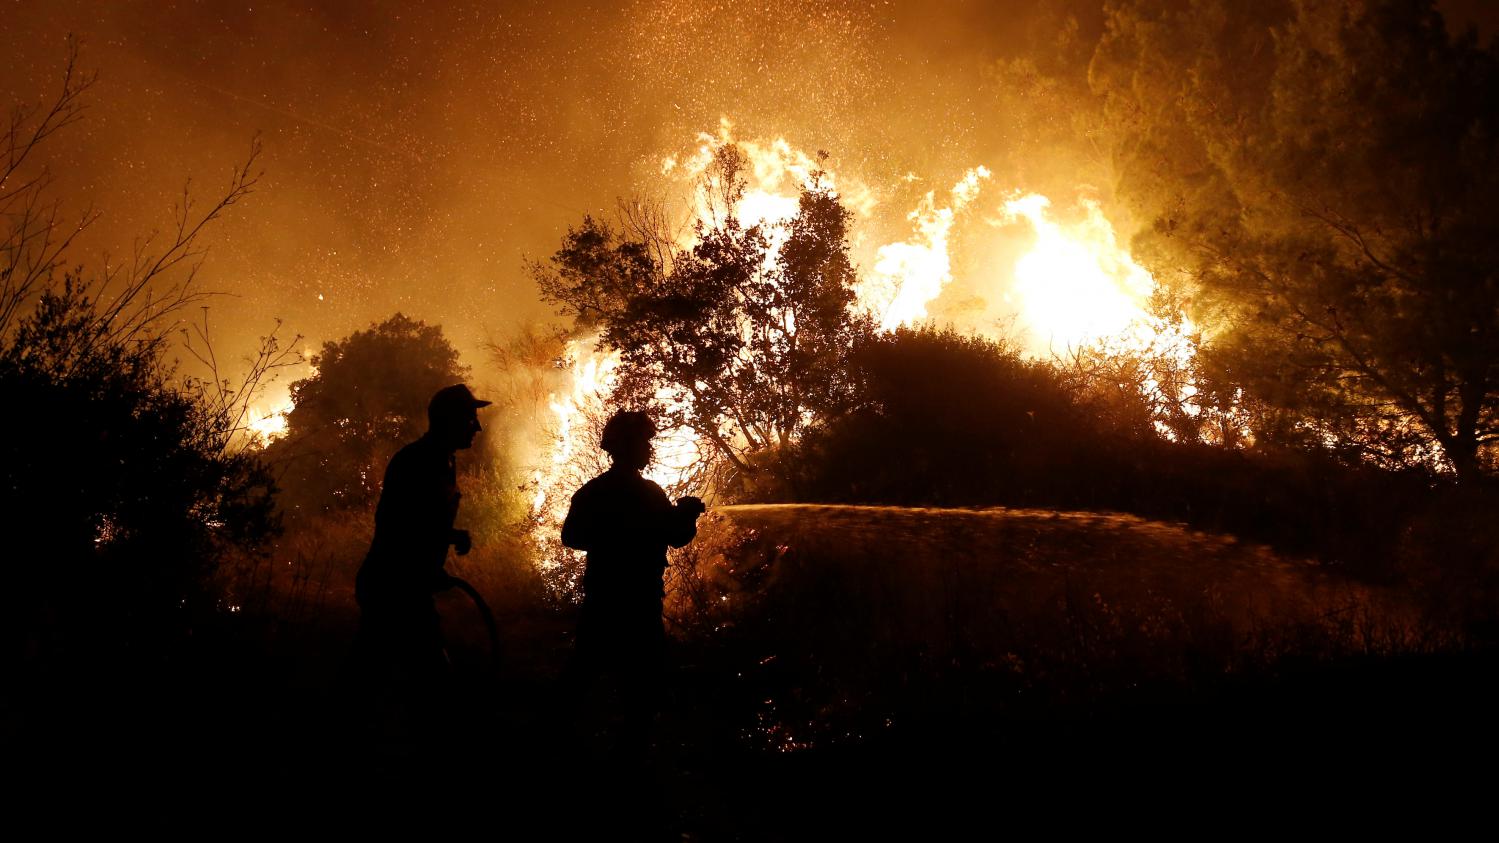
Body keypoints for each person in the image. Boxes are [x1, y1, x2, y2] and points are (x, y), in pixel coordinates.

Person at [560, 410, 705, 757]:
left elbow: (572, 536)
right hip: (638, 605)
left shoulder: (593, 492)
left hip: (602, 601)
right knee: (641, 684)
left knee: (583, 674)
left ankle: (559, 740)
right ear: (628, 445)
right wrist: (685, 515)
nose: (649, 448)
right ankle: (628, 760)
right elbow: (676, 536)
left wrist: (682, 516)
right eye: (644, 441)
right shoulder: (648, 494)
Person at [352, 383, 490, 731]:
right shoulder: (418, 461)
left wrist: (441, 551)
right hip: (392, 586)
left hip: (402, 585)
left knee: (375, 673)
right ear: (450, 420)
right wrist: (444, 539)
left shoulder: (443, 460)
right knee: (425, 675)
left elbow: (421, 522)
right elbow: (399, 524)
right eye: (470, 418)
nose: (477, 427)